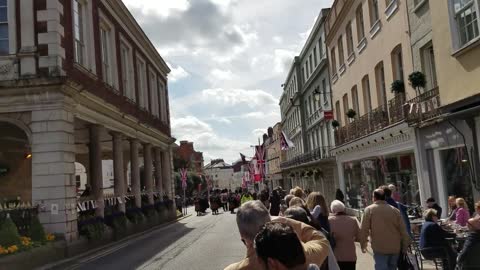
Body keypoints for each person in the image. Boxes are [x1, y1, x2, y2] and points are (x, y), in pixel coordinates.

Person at [224, 200, 329, 270]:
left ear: (243, 237)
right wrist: (287, 221)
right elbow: (321, 239)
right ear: (272, 222)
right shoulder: (303, 254)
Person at [359, 189, 411, 270]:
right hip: (395, 247)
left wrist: (363, 244)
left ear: (374, 198)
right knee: (392, 267)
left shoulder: (369, 210)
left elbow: (364, 229)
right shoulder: (395, 210)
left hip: (379, 247)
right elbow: (403, 230)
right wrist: (404, 246)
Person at [328, 200, 360, 270]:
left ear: (332, 210)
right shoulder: (353, 220)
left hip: (336, 257)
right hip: (350, 256)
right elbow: (358, 237)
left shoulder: (329, 221)